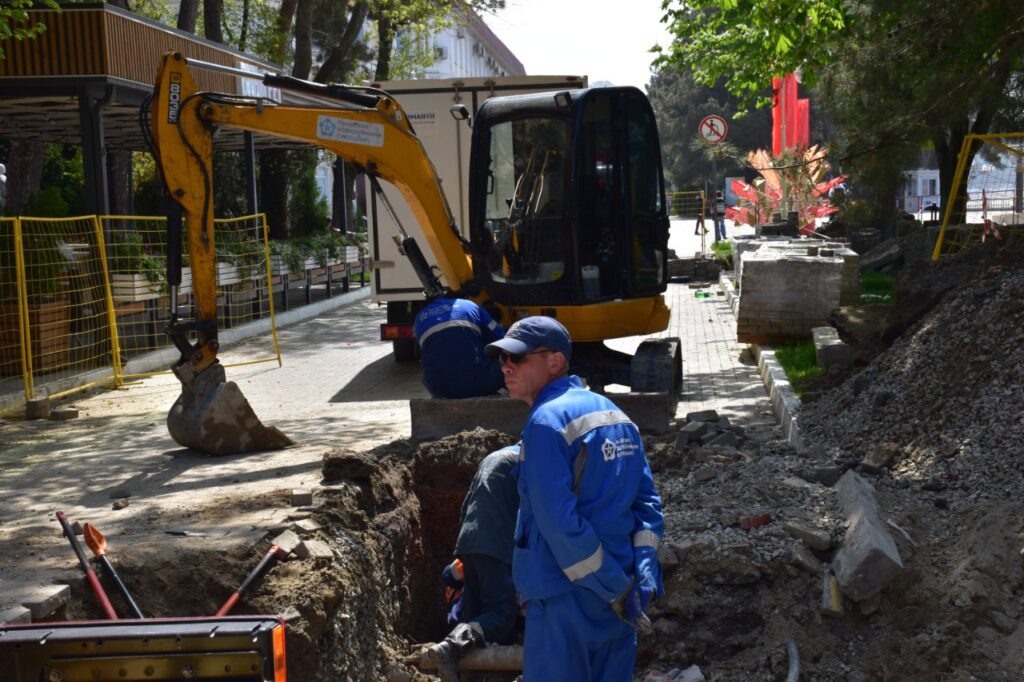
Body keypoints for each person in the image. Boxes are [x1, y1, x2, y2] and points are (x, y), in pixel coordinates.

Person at [484, 316, 664, 682]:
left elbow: (558, 525)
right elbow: (647, 505)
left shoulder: (545, 423)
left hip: (566, 597)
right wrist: (642, 574)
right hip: (620, 601)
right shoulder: (618, 417)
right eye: (502, 359)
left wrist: (612, 587)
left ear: (554, 361)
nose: (506, 367)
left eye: (517, 358)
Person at [426, 443, 521, 681]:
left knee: (475, 613)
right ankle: (449, 648)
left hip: (469, 539)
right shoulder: (529, 464)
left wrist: (466, 546)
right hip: (496, 544)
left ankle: (467, 673)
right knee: (501, 612)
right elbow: (534, 516)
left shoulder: (493, 458)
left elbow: (467, 505)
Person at [414, 295, 506, 399]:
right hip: (481, 385)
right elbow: (501, 339)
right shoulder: (469, 306)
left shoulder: (419, 318)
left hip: (440, 389)